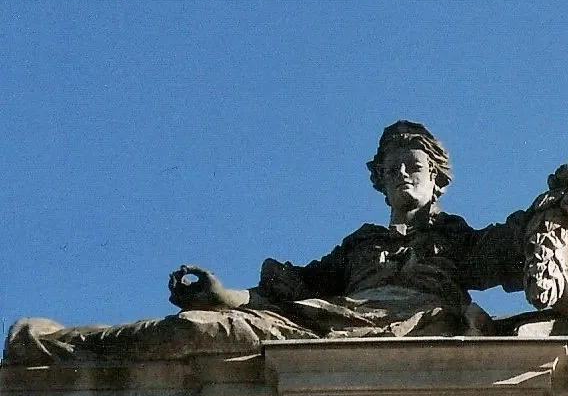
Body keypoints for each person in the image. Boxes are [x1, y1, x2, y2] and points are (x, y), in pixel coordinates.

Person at [4, 121, 528, 364]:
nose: (401, 175)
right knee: (197, 327)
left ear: (437, 178)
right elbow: (287, 290)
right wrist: (221, 293)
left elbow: (523, 252)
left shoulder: (457, 239)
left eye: (413, 167)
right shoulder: (358, 246)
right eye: (391, 169)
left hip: (417, 326)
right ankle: (51, 346)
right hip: (331, 322)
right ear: (379, 181)